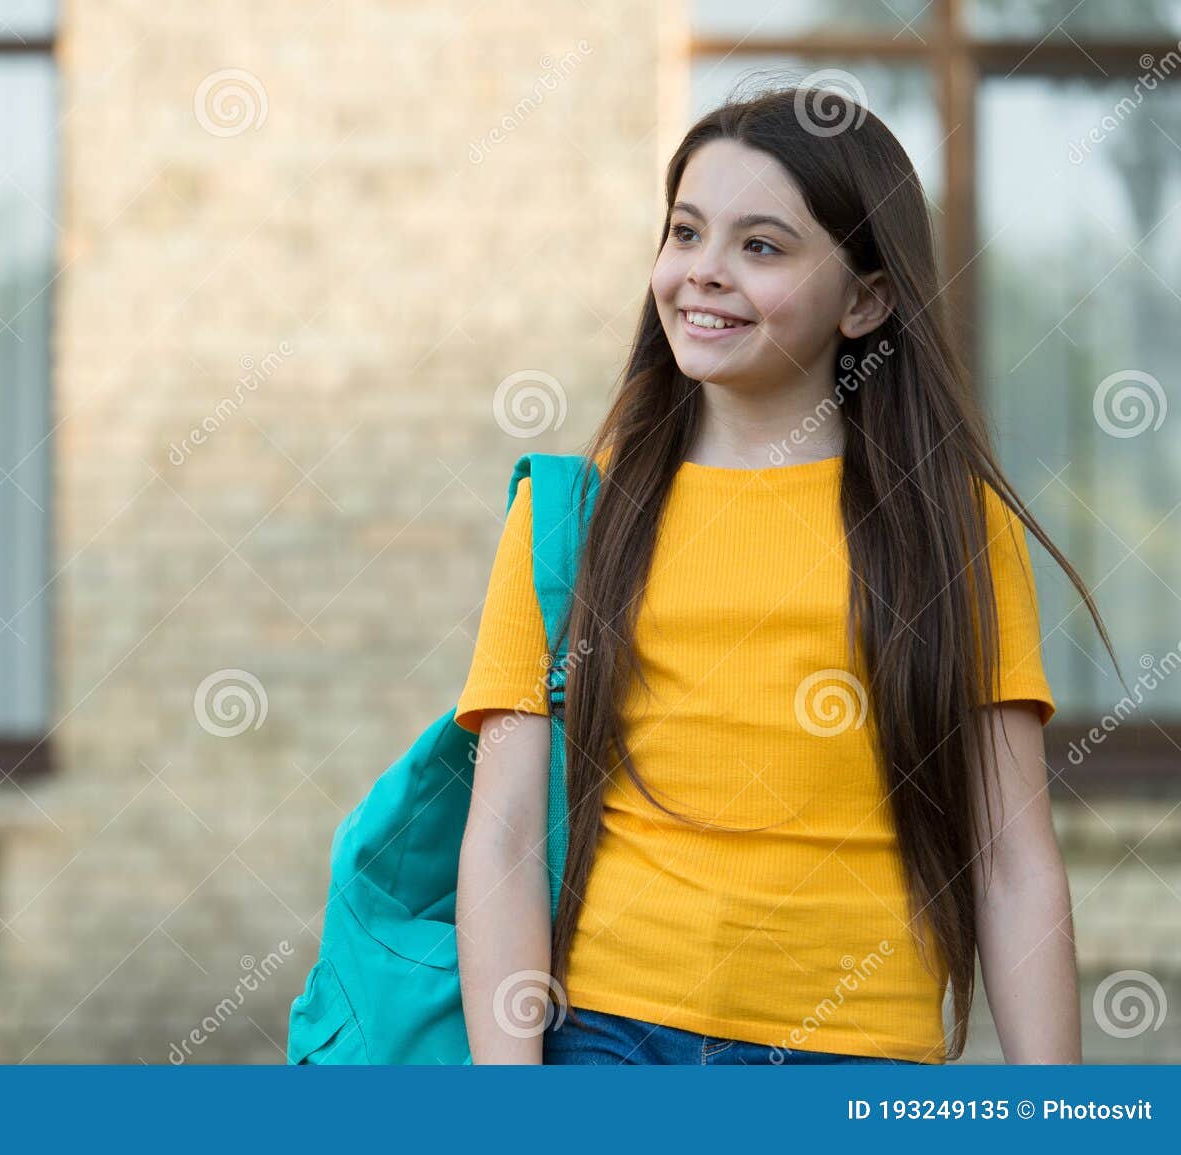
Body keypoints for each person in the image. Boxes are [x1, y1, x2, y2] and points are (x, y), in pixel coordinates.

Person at [453, 84, 1118, 1066]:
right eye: (685, 233)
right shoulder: (567, 521)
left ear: (864, 300)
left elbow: (1011, 860)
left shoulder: (952, 531)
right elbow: (504, 836)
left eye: (759, 247)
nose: (702, 273)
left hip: (853, 1060)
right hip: (601, 1043)